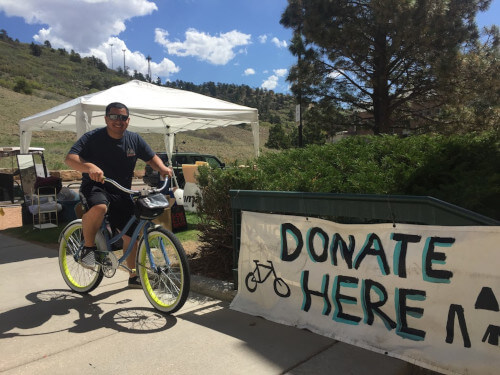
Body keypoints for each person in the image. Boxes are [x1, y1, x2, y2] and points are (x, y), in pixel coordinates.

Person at [65, 102, 172, 288]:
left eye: (122, 117)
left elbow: (151, 157)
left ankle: (133, 276)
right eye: (114, 116)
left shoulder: (134, 140)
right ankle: (88, 249)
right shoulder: (93, 138)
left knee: (132, 235)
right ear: (106, 118)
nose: (118, 121)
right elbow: (70, 158)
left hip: (122, 191)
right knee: (99, 207)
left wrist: (163, 168)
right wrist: (89, 167)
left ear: (128, 121)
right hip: (95, 187)